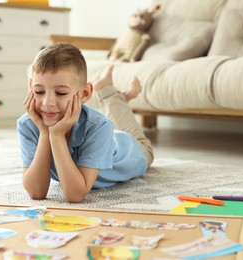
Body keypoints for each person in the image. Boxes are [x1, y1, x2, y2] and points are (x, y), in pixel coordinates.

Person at [17, 43, 153, 203]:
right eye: (39, 91)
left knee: (141, 145)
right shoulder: (28, 125)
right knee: (100, 122)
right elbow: (36, 192)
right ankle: (121, 97)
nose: (47, 103)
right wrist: (45, 133)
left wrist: (57, 134)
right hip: (102, 134)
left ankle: (110, 93)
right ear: (30, 87)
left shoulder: (100, 127)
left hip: (129, 149)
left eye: (61, 93)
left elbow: (75, 195)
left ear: (86, 93)